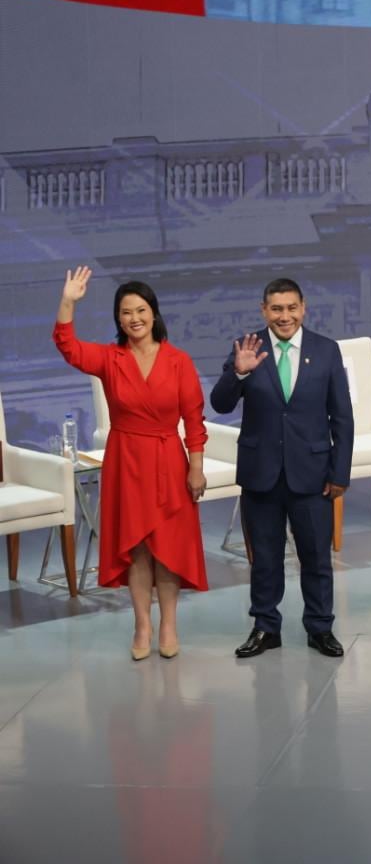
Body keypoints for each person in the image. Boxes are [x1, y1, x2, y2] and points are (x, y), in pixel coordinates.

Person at [53, 266, 207, 660]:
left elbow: (193, 420)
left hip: (168, 460)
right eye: (125, 312)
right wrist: (69, 301)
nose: (134, 318)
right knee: (137, 547)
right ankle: (142, 625)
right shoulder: (110, 358)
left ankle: (169, 624)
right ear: (118, 319)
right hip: (126, 461)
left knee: (167, 547)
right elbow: (68, 347)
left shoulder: (178, 361)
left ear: (153, 313)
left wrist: (195, 466)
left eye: (140, 310)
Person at [210, 278, 355, 660]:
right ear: (264, 310)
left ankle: (320, 628)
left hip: (313, 474)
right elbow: (221, 403)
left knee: (316, 558)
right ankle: (265, 627)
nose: (284, 316)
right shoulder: (248, 349)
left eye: (291, 308)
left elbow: (342, 416)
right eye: (276, 309)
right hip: (262, 474)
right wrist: (238, 373)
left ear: (303, 308)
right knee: (265, 558)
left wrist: (339, 473)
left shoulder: (326, 351)